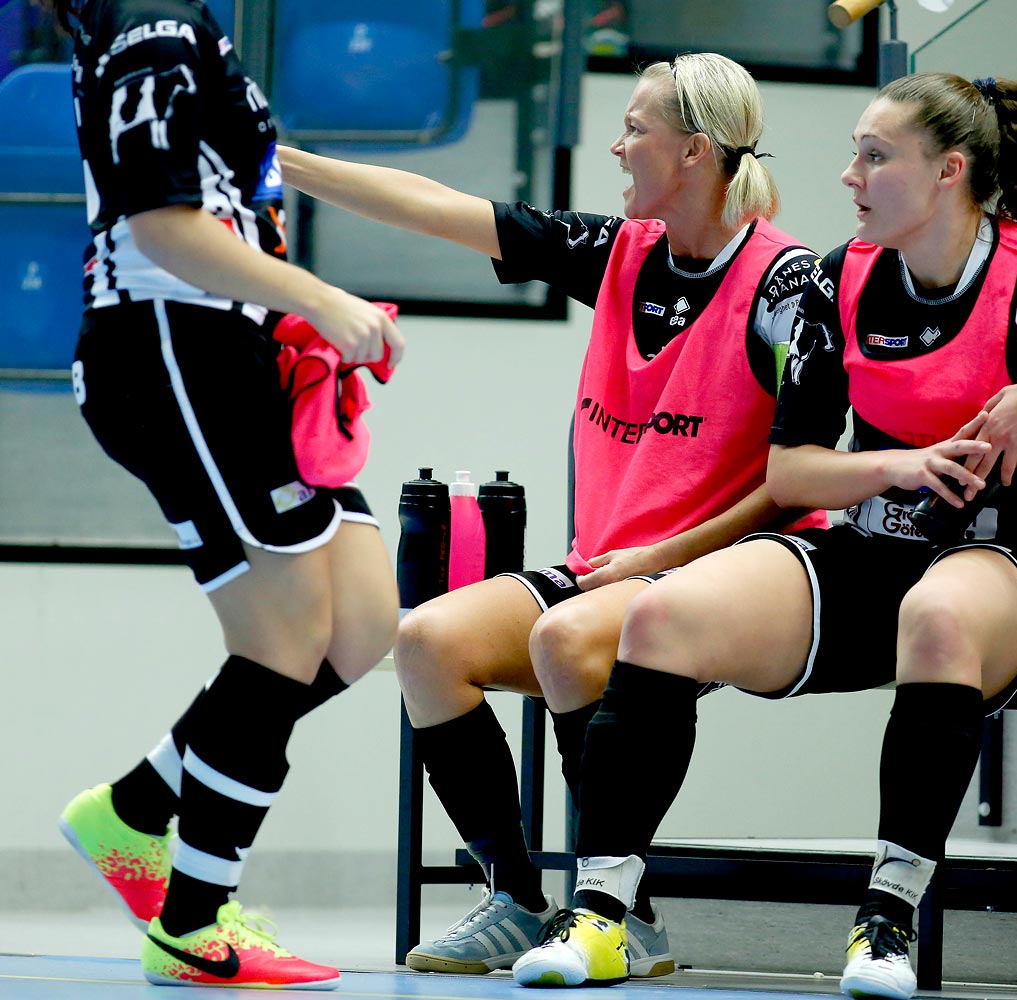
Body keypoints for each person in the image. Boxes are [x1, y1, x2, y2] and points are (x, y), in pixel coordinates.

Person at [509, 72, 1017, 993]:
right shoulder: (838, 279)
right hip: (877, 550)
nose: (848, 174)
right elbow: (794, 474)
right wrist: (897, 465)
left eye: (873, 155)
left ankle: (885, 923)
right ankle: (604, 915)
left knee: (937, 613)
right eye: (854, 153)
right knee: (661, 616)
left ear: (949, 171)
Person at [276, 52, 826, 977]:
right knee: (425, 642)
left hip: (727, 573)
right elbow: (433, 205)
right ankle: (517, 897)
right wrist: (279, 160)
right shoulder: (617, 251)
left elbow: (804, 477)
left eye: (635, 130)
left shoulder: (787, 286)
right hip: (606, 567)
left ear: (693, 151)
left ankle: (619, 907)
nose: (615, 147)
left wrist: (663, 551)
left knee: (566, 642)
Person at [50, 0, 405, 989]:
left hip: (233, 349)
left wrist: (292, 311)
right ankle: (193, 922)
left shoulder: (186, 25)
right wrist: (320, 299)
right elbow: (163, 224)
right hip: (170, 348)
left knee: (361, 622)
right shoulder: (151, 25)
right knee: (284, 638)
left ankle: (134, 808)